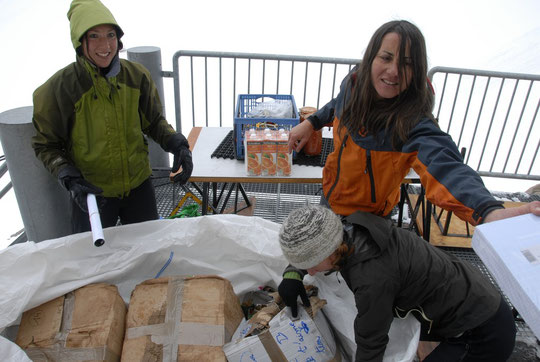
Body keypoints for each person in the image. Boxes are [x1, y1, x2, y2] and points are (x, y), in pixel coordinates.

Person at [287, 20, 540, 224]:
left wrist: (488, 211)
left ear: (417, 70)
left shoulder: (411, 123)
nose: (394, 71)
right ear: (370, 59)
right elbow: (337, 105)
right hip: (330, 196)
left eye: (407, 64)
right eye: (386, 58)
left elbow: (444, 164)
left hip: (370, 218)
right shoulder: (354, 85)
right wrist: (311, 123)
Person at [31, 0, 193, 233]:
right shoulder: (59, 89)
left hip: (139, 186)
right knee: (92, 260)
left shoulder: (136, 76)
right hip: (91, 194)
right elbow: (47, 145)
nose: (105, 45)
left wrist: (177, 143)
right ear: (80, 41)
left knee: (147, 252)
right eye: (94, 36)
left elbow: (154, 121)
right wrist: (67, 174)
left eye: (110, 35)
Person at [279, 205, 517, 362]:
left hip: (482, 334)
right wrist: (293, 273)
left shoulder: (372, 277)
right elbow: (313, 242)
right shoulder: (353, 227)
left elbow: (371, 341)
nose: (310, 271)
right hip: (476, 296)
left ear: (331, 251)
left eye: (312, 265)